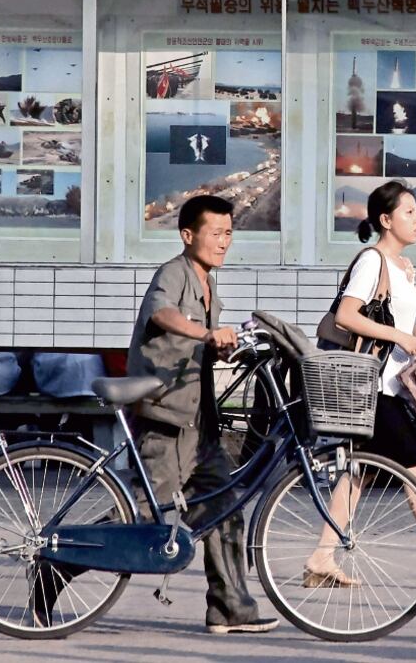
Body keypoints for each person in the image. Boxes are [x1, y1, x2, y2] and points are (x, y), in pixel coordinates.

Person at [304, 180, 416, 591]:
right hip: (375, 390)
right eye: (407, 212)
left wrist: (414, 332)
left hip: (392, 387)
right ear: (385, 220)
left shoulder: (404, 267)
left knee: (358, 473)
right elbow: (347, 316)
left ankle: (321, 555)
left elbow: (388, 318)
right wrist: (399, 338)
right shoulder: (373, 260)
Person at [125, 195, 278, 634]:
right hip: (165, 416)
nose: (223, 241)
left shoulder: (209, 282)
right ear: (188, 235)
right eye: (215, 233)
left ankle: (230, 609)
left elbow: (202, 346)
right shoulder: (173, 273)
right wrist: (206, 332)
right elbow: (162, 312)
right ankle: (56, 563)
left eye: (228, 233)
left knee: (224, 505)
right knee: (141, 515)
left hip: (198, 419)